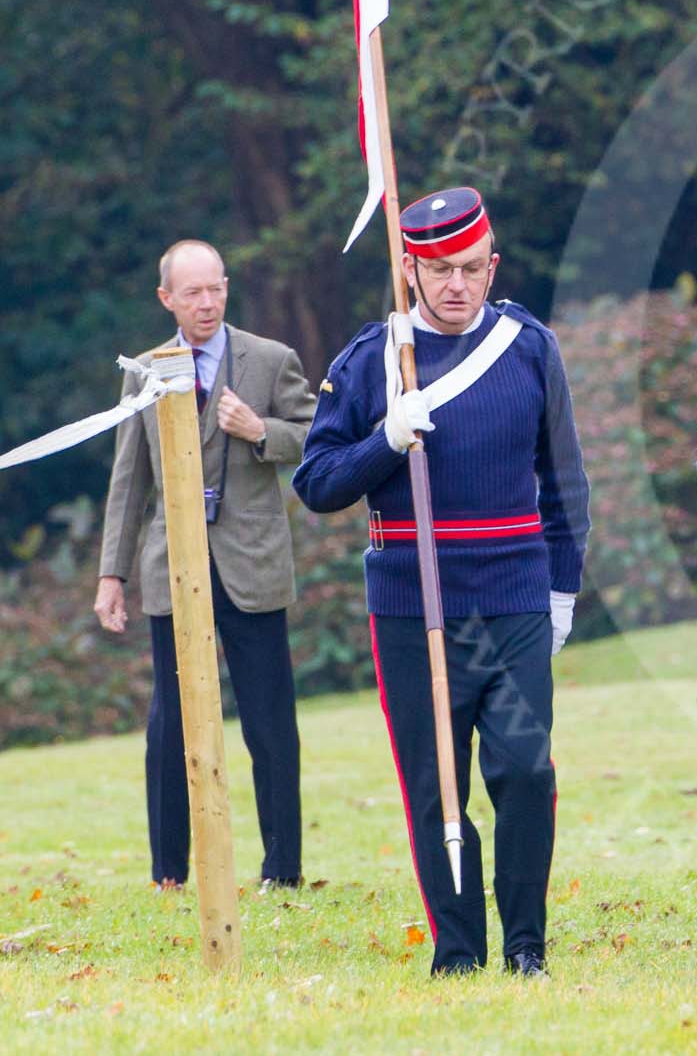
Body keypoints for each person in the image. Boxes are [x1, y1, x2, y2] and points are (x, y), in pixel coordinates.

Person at [292, 187, 589, 976]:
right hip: (411, 601)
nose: (456, 285)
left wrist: (562, 589)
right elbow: (316, 482)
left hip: (516, 592)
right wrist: (386, 438)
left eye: (470, 268)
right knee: (437, 788)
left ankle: (526, 945)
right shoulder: (370, 360)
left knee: (525, 769)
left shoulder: (530, 349)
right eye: (438, 269)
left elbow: (566, 484)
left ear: (493, 266)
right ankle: (458, 953)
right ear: (409, 271)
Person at [96, 239, 316, 890]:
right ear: (166, 298)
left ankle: (283, 868)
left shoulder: (271, 361)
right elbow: (128, 480)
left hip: (252, 568)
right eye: (191, 292)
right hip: (173, 570)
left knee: (271, 720)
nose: (207, 301)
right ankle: (169, 872)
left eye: (215, 287)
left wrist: (259, 430)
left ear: (227, 286)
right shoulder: (144, 369)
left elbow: (317, 436)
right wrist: (113, 575)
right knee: (170, 722)